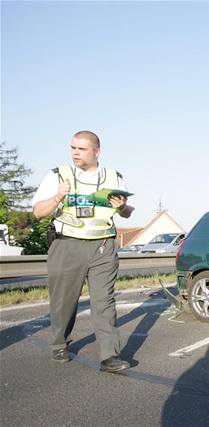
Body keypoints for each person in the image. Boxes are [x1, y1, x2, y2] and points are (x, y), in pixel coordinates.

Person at [32, 130, 134, 373]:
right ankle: (59, 343)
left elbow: (128, 212)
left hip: (103, 246)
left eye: (81, 149)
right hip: (67, 245)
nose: (75, 153)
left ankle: (109, 356)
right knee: (64, 302)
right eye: (73, 148)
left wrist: (122, 208)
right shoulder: (59, 175)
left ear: (96, 152)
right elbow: (38, 211)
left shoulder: (114, 177)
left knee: (104, 302)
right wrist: (58, 196)